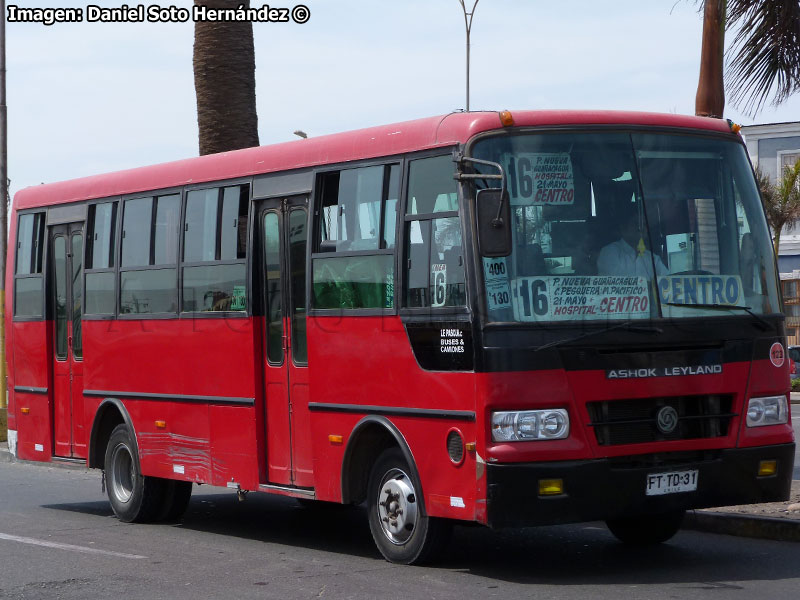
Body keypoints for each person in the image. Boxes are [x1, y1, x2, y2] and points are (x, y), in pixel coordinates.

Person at [597, 211, 667, 278]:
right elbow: (612, 283)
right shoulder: (610, 252)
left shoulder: (653, 259)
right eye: (636, 224)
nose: (641, 228)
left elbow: (668, 282)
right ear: (623, 227)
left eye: (644, 224)